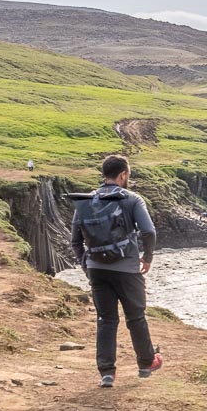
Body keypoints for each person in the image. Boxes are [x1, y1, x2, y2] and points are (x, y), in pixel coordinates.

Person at [70, 155, 161, 388]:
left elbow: (75, 241)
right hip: (128, 270)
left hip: (97, 270)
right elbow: (148, 232)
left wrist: (86, 266)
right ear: (123, 175)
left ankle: (107, 373)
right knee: (136, 317)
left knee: (106, 320)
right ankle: (146, 363)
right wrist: (147, 258)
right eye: (127, 175)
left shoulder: (85, 200)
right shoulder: (133, 199)